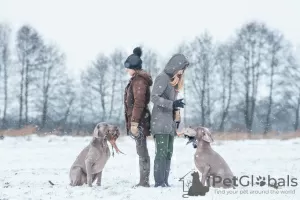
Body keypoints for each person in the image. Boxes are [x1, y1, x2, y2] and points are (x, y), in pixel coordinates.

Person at [150, 53, 189, 187]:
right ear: (175, 66)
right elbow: (154, 97)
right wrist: (172, 104)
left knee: (168, 153)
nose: (182, 72)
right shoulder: (162, 78)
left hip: (170, 124)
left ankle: (165, 181)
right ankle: (159, 182)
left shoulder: (173, 81)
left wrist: (177, 107)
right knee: (161, 153)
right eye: (182, 68)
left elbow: (171, 101)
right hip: (160, 122)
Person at [124, 47, 153, 187]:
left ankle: (144, 181)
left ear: (133, 68)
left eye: (128, 68)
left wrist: (134, 123)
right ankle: (143, 180)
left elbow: (139, 103)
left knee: (142, 151)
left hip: (139, 121)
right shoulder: (136, 80)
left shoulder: (139, 81)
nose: (126, 70)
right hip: (138, 120)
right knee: (140, 149)